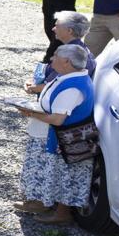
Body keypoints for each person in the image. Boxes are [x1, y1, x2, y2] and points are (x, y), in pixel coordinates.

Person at [15, 44, 97, 224]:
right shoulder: (68, 76)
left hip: (65, 140)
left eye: (56, 57)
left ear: (67, 62)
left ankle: (61, 214)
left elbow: (58, 119)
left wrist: (30, 113)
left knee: (64, 175)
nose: (51, 60)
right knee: (50, 171)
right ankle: (40, 202)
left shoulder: (73, 87)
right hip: (55, 136)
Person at [25, 11, 92, 94]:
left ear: (69, 31)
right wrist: (32, 82)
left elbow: (57, 86)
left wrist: (33, 88)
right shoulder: (77, 49)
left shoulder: (71, 55)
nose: (53, 29)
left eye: (57, 26)